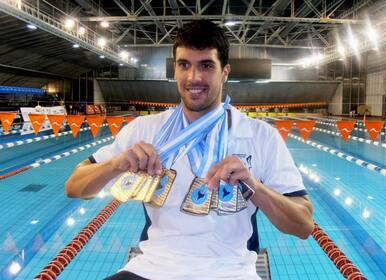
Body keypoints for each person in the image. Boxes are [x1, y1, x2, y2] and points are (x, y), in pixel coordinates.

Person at [65, 20, 314, 280]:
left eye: (206, 65)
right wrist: (115, 164)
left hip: (231, 271)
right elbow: (74, 186)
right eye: (184, 65)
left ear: (225, 72)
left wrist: (252, 185)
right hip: (152, 268)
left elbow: (303, 224)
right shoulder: (145, 129)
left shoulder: (261, 136)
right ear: (175, 69)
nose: (193, 77)